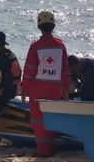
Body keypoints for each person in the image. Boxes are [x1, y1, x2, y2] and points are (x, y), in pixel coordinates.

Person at [21, 10, 69, 157]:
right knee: (52, 119)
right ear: (53, 26)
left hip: (38, 91)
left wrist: (24, 90)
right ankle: (52, 148)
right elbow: (65, 71)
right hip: (55, 90)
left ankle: (43, 151)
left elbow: (29, 70)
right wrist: (65, 90)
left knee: (38, 121)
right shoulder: (60, 46)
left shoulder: (36, 46)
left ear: (39, 26)